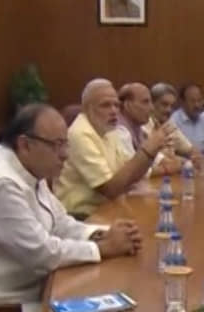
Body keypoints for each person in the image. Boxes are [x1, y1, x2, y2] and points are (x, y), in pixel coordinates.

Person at [0, 104, 142, 312]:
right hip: (4, 309)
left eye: (65, 144)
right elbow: (41, 253)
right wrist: (103, 248)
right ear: (25, 144)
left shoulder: (29, 169)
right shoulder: (0, 184)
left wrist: (103, 234)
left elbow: (61, 223)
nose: (64, 155)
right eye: (56, 145)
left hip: (39, 292)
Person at [54, 78, 167, 218]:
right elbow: (110, 189)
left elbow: (131, 174)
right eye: (105, 105)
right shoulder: (80, 134)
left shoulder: (109, 130)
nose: (114, 111)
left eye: (116, 105)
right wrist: (147, 151)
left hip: (109, 208)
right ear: (87, 108)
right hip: (82, 216)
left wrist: (152, 152)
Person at [170, 83, 204, 150]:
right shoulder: (174, 121)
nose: (197, 105)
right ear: (183, 102)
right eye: (192, 101)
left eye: (199, 100)